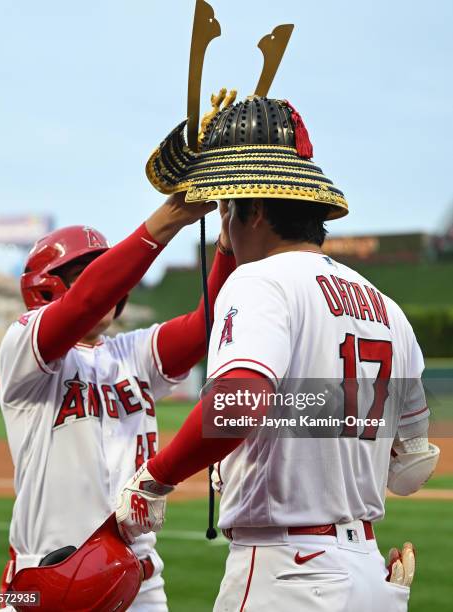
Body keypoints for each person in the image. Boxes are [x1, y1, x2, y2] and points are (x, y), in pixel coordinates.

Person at [116, 96, 440, 612]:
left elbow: (240, 400)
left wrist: (156, 477)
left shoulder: (260, 281)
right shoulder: (388, 309)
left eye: (228, 207)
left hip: (286, 573)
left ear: (256, 209)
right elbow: (413, 467)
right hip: (372, 576)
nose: (225, 225)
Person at [0, 193, 236, 611]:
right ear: (46, 286)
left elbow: (206, 326)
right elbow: (84, 302)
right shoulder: (24, 344)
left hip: (137, 581)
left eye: (105, 269)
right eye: (83, 271)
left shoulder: (132, 353)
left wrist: (227, 246)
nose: (107, 281)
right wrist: (166, 220)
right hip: (46, 578)